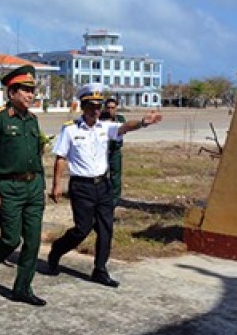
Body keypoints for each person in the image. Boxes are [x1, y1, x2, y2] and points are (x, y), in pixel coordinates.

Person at [47, 83, 163, 287]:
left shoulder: (105, 127)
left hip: (103, 185)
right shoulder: (70, 130)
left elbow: (125, 127)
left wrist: (144, 122)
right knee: (82, 229)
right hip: (81, 187)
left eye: (98, 106)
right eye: (91, 106)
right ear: (83, 106)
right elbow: (61, 158)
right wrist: (56, 184)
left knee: (105, 228)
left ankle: (100, 269)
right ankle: (57, 249)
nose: (96, 110)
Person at [0, 65, 48, 306]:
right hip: (9, 188)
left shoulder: (33, 120)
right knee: (11, 240)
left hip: (33, 186)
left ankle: (22, 288)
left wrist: (41, 184)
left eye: (32, 90)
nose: (30, 95)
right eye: (24, 90)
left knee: (33, 241)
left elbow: (36, 155)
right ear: (11, 92)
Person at [101, 97, 126, 208]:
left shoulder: (120, 119)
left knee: (115, 177)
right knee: (102, 176)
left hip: (115, 151)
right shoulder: (99, 118)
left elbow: (122, 130)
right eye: (108, 107)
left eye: (112, 108)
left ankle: (114, 200)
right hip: (103, 152)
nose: (110, 110)